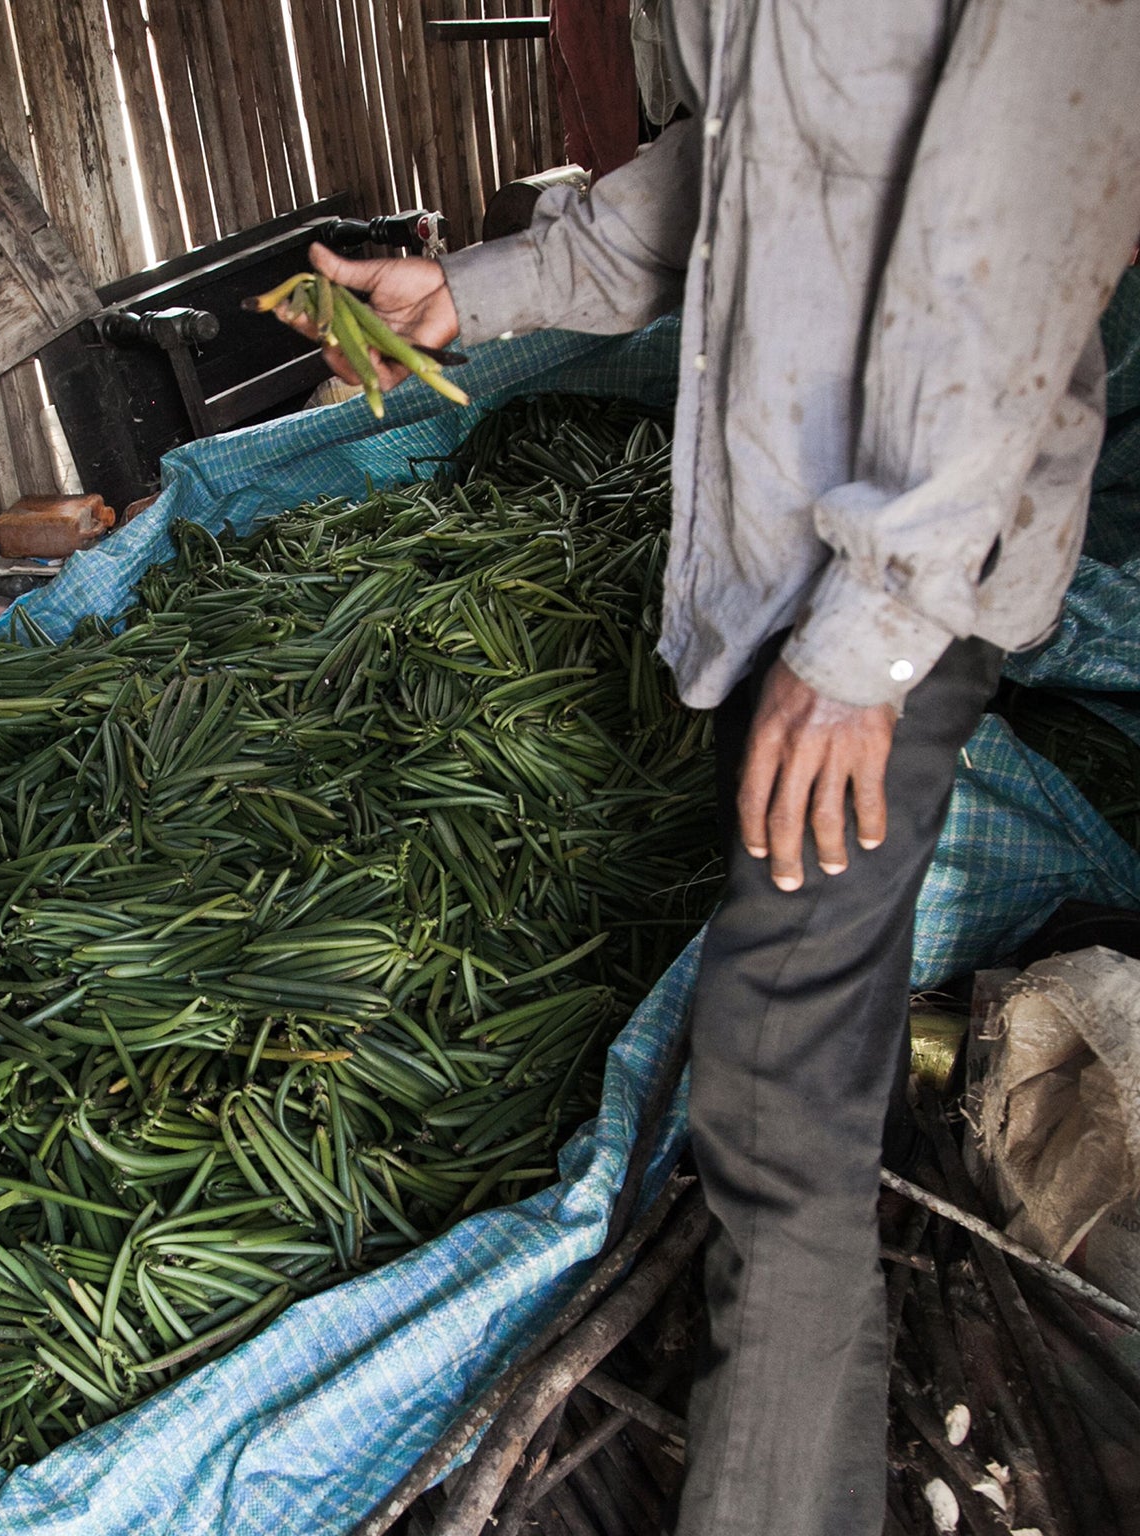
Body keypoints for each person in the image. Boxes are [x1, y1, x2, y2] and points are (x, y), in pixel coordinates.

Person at [280, 3, 1140, 1532]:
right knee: (799, 1052)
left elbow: (1021, 224)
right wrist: (468, 292)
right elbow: (732, 170)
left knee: (770, 1107)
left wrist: (866, 643)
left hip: (885, 593)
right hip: (784, 572)